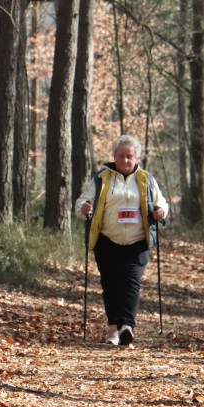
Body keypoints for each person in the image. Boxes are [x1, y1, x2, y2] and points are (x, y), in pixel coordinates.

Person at [76, 135, 168, 347]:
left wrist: (161, 212)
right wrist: (83, 208)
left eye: (130, 156)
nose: (126, 160)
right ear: (114, 157)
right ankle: (112, 328)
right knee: (110, 286)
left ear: (136, 158)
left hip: (137, 241)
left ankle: (126, 326)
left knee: (130, 284)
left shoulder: (146, 179)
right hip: (107, 240)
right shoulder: (102, 179)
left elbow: (161, 203)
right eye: (121, 156)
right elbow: (82, 201)